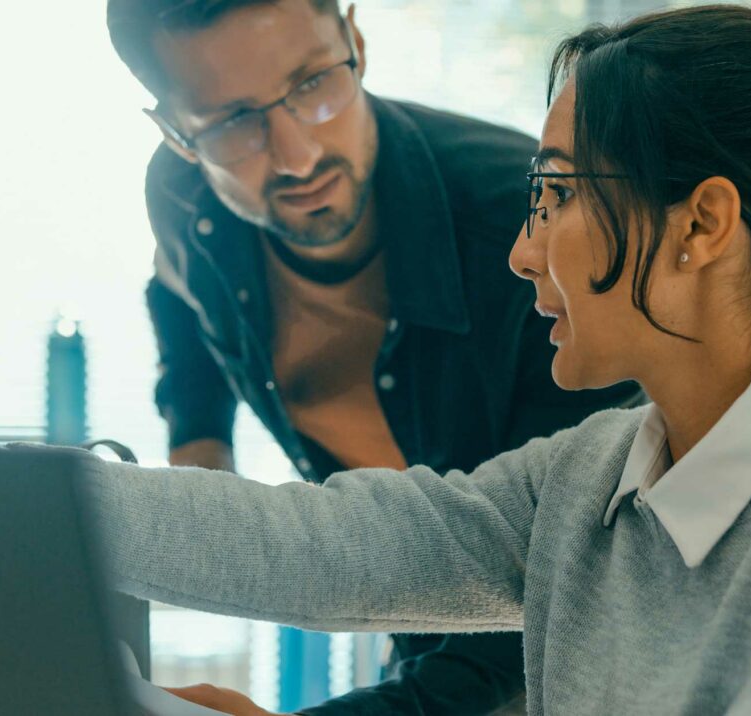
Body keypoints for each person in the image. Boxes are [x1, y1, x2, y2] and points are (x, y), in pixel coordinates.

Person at [0, 4, 751, 715]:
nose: (521, 246)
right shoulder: (590, 474)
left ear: (700, 224)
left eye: (553, 197)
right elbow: (302, 543)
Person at [109, 0, 641, 712]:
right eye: (232, 121)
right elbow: (176, 291)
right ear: (176, 134)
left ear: (355, 40)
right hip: (401, 599)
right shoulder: (183, 194)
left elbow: (551, 582)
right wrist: (197, 438)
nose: (298, 155)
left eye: (311, 84)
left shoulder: (528, 233)